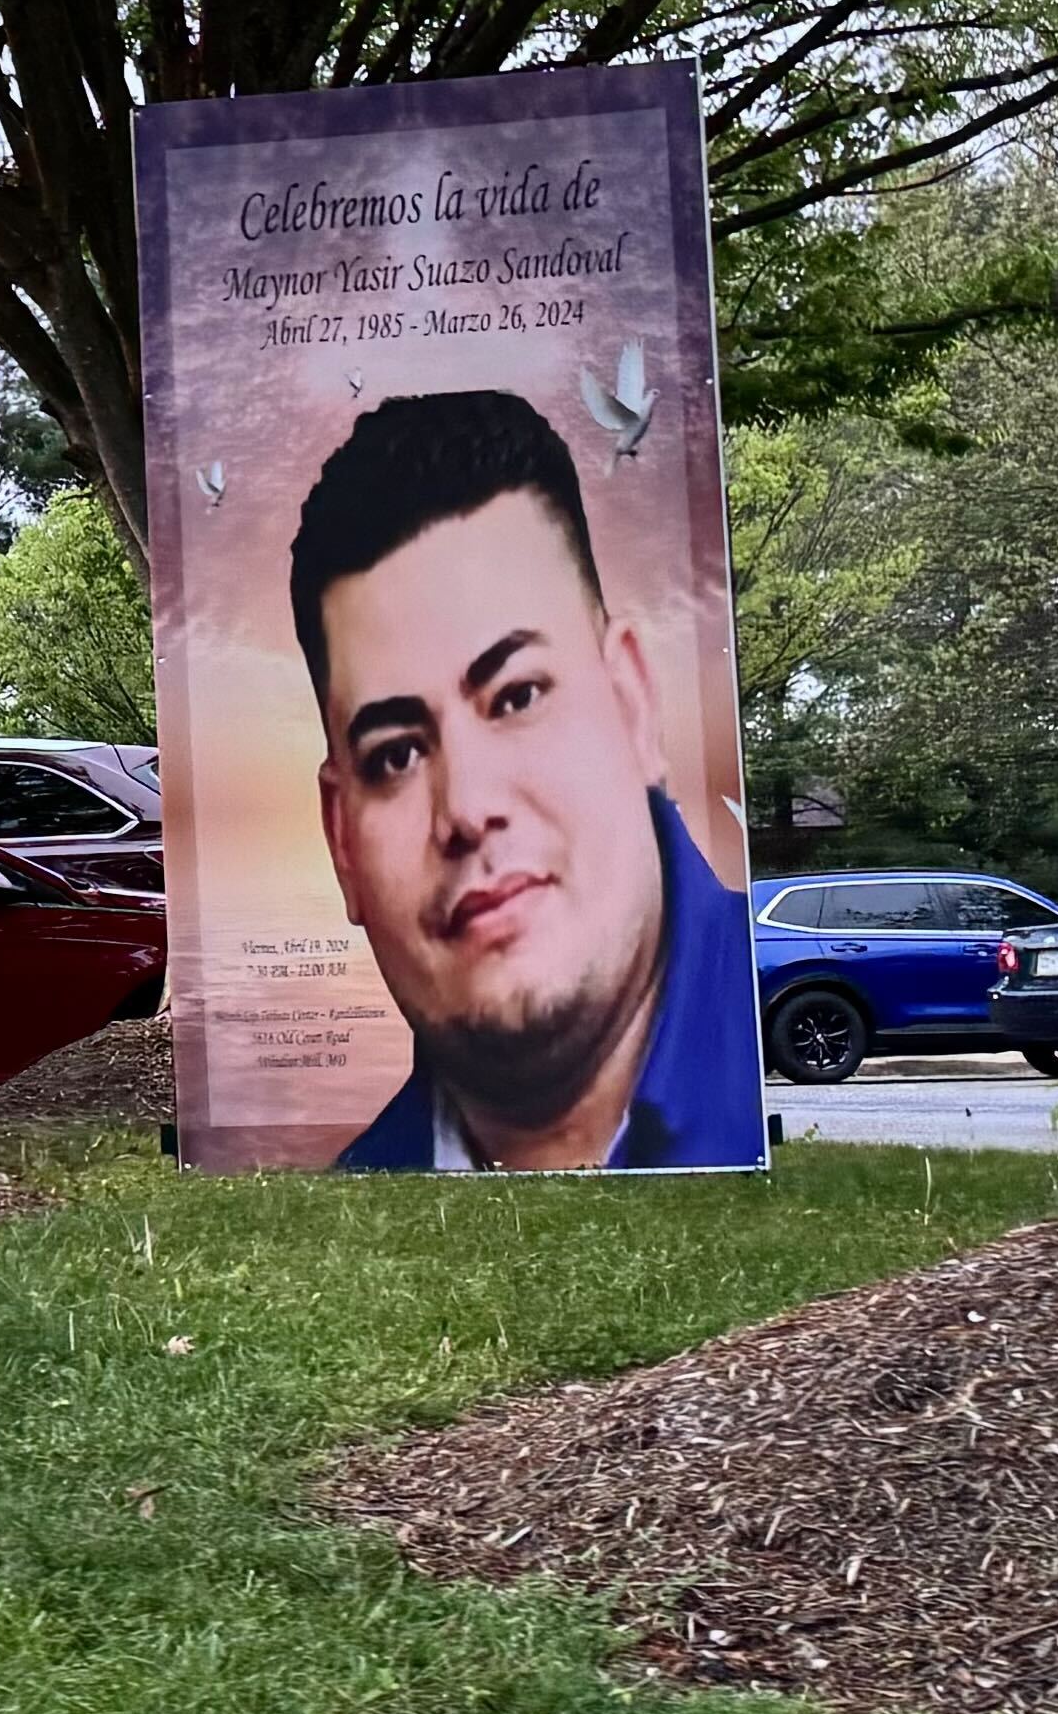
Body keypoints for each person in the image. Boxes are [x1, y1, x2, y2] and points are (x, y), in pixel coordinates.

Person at [286, 388, 756, 1170]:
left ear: (632, 703)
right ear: (341, 842)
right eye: (396, 755)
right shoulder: (353, 1200)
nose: (468, 807)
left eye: (517, 696)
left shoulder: (773, 1019)